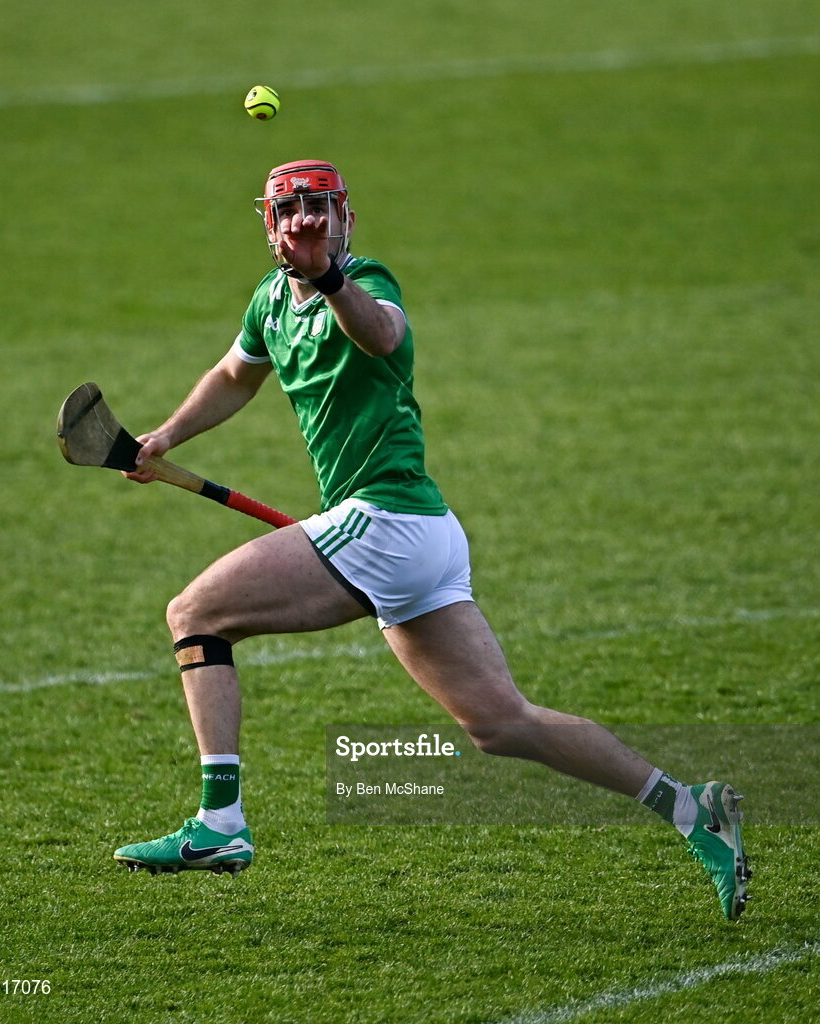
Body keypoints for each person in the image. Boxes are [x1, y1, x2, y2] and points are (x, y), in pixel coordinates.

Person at [112, 160, 750, 919]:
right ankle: (691, 809)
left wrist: (333, 277)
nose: (303, 221)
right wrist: (167, 436)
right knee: (500, 725)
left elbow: (380, 337)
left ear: (346, 216)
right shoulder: (266, 304)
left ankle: (219, 825)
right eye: (288, 211)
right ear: (266, 223)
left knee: (194, 614)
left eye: (319, 207)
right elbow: (234, 375)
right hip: (416, 536)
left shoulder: (367, 281)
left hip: (383, 519)